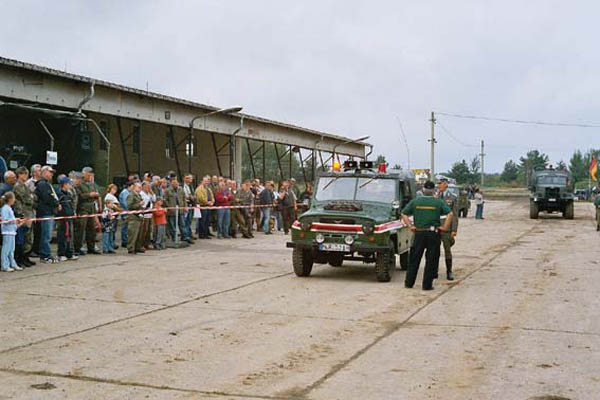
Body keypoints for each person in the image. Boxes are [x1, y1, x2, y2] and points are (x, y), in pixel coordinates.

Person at [401, 181, 453, 290]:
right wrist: (444, 228)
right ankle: (427, 285)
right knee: (431, 259)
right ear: (434, 190)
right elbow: (450, 214)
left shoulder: (415, 201)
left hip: (419, 233)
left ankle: (409, 283)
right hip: (433, 234)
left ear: (423, 190)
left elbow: (404, 213)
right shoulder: (438, 202)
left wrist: (410, 225)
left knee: (414, 258)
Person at [74, 167, 101, 255]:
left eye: (90, 174)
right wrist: (89, 195)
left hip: (91, 208)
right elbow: (79, 196)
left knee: (92, 229)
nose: (89, 176)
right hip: (83, 208)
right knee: (80, 229)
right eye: (88, 174)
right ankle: (78, 248)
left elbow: (96, 194)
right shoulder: (79, 184)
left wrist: (96, 195)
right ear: (84, 174)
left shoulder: (92, 184)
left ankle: (91, 247)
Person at [35, 166, 59, 264]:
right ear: (44, 172)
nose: (51, 174)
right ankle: (45, 255)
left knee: (47, 234)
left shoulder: (47, 184)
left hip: (49, 211)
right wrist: (56, 203)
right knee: (46, 235)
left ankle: (45, 253)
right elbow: (47, 197)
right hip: (46, 212)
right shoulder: (42, 184)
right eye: (50, 172)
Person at [13, 167, 35, 267]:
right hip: (22, 213)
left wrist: (31, 198)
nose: (26, 176)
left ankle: (26, 256)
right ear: (20, 174)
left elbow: (32, 197)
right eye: (25, 174)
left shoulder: (25, 186)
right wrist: (31, 198)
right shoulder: (18, 186)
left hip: (28, 213)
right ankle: (20, 258)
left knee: (28, 237)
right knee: (22, 237)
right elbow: (27, 198)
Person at [437, 178, 459, 280]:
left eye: (440, 184)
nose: (438, 186)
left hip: (447, 227)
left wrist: (454, 229)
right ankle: (434, 271)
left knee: (447, 250)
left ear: (445, 185)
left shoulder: (452, 198)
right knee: (434, 250)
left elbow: (454, 215)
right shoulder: (435, 196)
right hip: (436, 226)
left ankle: (449, 271)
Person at [1, 192, 23, 272]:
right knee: (6, 249)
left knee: (11, 250)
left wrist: (18, 223)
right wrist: (15, 220)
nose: (14, 200)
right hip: (7, 232)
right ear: (10, 199)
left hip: (12, 231)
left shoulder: (9, 208)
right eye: (13, 198)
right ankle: (5, 265)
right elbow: (5, 220)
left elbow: (11, 220)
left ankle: (13, 264)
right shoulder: (5, 208)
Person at [56, 176, 77, 261]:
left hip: (69, 217)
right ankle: (61, 253)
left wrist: (73, 212)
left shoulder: (68, 194)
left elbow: (71, 204)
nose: (70, 185)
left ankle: (69, 253)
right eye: (68, 183)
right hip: (63, 218)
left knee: (70, 236)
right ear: (64, 184)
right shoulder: (59, 194)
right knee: (63, 235)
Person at [164, 177, 190, 243]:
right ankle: (174, 238)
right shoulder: (167, 190)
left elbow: (184, 199)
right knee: (172, 226)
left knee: (182, 224)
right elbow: (165, 200)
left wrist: (185, 206)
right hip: (172, 211)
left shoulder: (180, 189)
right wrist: (170, 207)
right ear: (171, 183)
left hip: (180, 210)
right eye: (174, 183)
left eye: (177, 183)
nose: (176, 184)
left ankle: (185, 237)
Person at [26, 164, 41, 258]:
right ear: (34, 172)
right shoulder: (28, 183)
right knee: (31, 232)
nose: (40, 172)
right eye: (39, 171)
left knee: (39, 231)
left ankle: (37, 249)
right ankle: (29, 250)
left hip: (40, 209)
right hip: (32, 210)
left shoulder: (42, 182)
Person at [126, 182, 144, 254]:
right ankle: (131, 248)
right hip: (133, 216)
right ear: (134, 187)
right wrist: (138, 204)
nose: (140, 189)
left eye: (140, 188)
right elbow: (129, 206)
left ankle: (137, 247)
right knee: (133, 233)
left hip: (139, 216)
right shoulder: (131, 195)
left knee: (138, 234)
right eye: (138, 187)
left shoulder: (139, 195)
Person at [139, 181, 155, 250]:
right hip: (144, 214)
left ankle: (147, 243)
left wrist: (152, 192)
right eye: (147, 186)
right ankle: (141, 244)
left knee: (149, 230)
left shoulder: (149, 194)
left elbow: (154, 199)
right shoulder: (141, 194)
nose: (148, 188)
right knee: (144, 230)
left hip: (150, 214)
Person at [104, 184, 121, 250]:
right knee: (108, 232)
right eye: (113, 189)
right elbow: (113, 205)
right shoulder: (108, 196)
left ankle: (111, 245)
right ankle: (107, 247)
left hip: (114, 215)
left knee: (112, 231)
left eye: (115, 189)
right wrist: (119, 209)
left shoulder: (113, 196)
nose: (114, 190)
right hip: (109, 215)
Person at [119, 181, 133, 248]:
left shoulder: (128, 192)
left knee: (126, 226)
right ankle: (124, 240)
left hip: (127, 211)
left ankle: (125, 239)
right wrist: (129, 208)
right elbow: (125, 203)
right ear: (129, 186)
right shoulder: (125, 193)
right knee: (125, 226)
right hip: (125, 211)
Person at [183, 173, 195, 240]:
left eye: (189, 178)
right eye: (186, 178)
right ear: (184, 178)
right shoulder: (182, 186)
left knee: (189, 220)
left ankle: (189, 234)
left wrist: (192, 197)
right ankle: (185, 235)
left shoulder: (190, 186)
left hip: (190, 204)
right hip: (185, 204)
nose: (188, 179)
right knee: (185, 220)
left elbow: (192, 194)